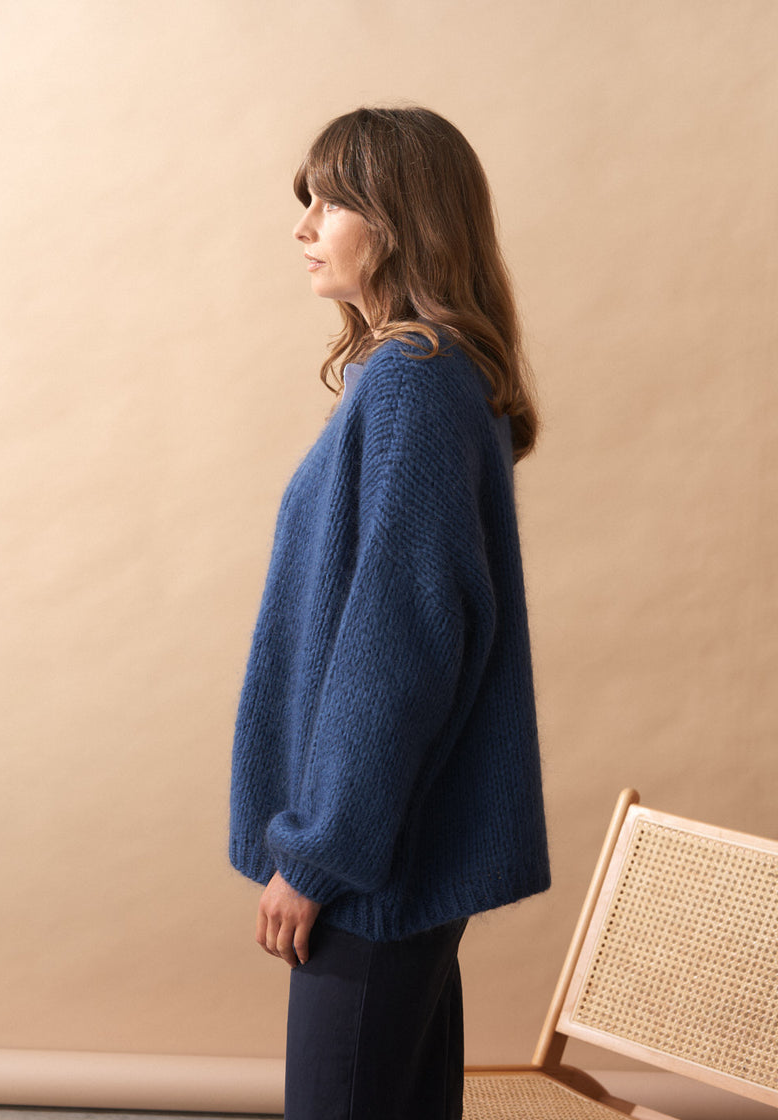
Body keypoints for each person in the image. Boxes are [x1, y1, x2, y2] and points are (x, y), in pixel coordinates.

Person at [229, 106, 550, 1120]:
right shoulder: (426, 374)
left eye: (328, 202)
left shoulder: (412, 383)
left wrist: (318, 853)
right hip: (396, 847)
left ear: (398, 219)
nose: (304, 226)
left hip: (368, 858)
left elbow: (399, 650)